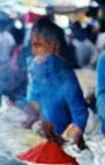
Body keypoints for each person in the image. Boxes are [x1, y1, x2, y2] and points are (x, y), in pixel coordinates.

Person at [26, 17, 90, 147]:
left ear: (54, 46)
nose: (33, 51)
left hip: (62, 141)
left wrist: (75, 132)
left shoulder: (64, 73)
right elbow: (33, 100)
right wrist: (36, 119)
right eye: (32, 45)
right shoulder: (34, 69)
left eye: (38, 45)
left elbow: (80, 111)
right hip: (41, 139)